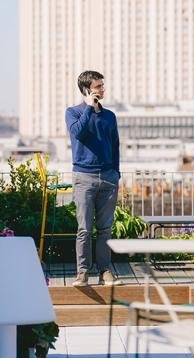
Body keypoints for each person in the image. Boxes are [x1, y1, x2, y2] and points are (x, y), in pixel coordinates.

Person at [65, 70, 122, 286]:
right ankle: (82, 273)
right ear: (88, 89)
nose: (103, 89)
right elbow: (78, 133)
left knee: (105, 229)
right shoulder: (73, 112)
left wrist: (116, 173)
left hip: (108, 177)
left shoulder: (109, 116)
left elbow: (115, 146)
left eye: (102, 85)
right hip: (84, 177)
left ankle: (105, 271)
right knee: (84, 229)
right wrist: (89, 107)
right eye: (99, 86)